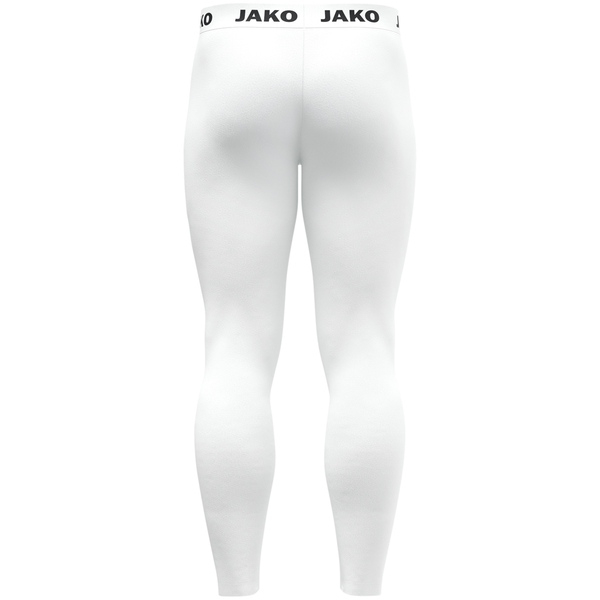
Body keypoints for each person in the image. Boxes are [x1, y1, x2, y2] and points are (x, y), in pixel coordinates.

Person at [183, 2, 416, 595]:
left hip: (238, 37)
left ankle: (237, 593)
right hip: (362, 37)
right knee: (365, 347)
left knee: (233, 346)